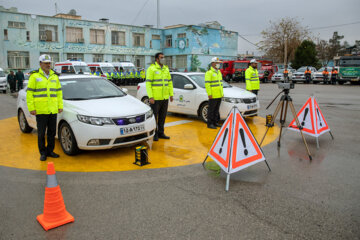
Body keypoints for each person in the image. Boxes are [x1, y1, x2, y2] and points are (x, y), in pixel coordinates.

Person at [26, 54, 63, 161]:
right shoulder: (34, 76)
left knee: (52, 132)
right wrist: (31, 108)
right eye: (46, 63)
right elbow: (30, 94)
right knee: (41, 133)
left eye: (49, 63)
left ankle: (50, 151)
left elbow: (59, 93)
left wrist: (60, 106)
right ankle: (42, 153)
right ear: (40, 64)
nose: (48, 65)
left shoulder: (54, 76)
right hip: (40, 110)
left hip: (52, 110)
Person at [146, 52, 174, 141]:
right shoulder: (151, 69)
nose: (163, 59)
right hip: (155, 98)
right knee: (155, 117)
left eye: (164, 57)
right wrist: (151, 97)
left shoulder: (166, 69)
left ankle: (161, 133)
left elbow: (169, 82)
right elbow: (148, 84)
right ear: (157, 59)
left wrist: (171, 94)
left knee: (162, 116)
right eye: (161, 57)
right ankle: (154, 134)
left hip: (165, 98)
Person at [205, 57, 224, 129]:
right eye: (217, 63)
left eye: (218, 63)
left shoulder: (219, 72)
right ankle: (210, 124)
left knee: (216, 109)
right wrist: (209, 94)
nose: (218, 64)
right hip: (212, 95)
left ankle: (215, 122)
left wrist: (222, 93)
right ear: (213, 63)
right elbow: (207, 84)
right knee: (211, 110)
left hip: (219, 94)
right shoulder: (209, 73)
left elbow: (220, 84)